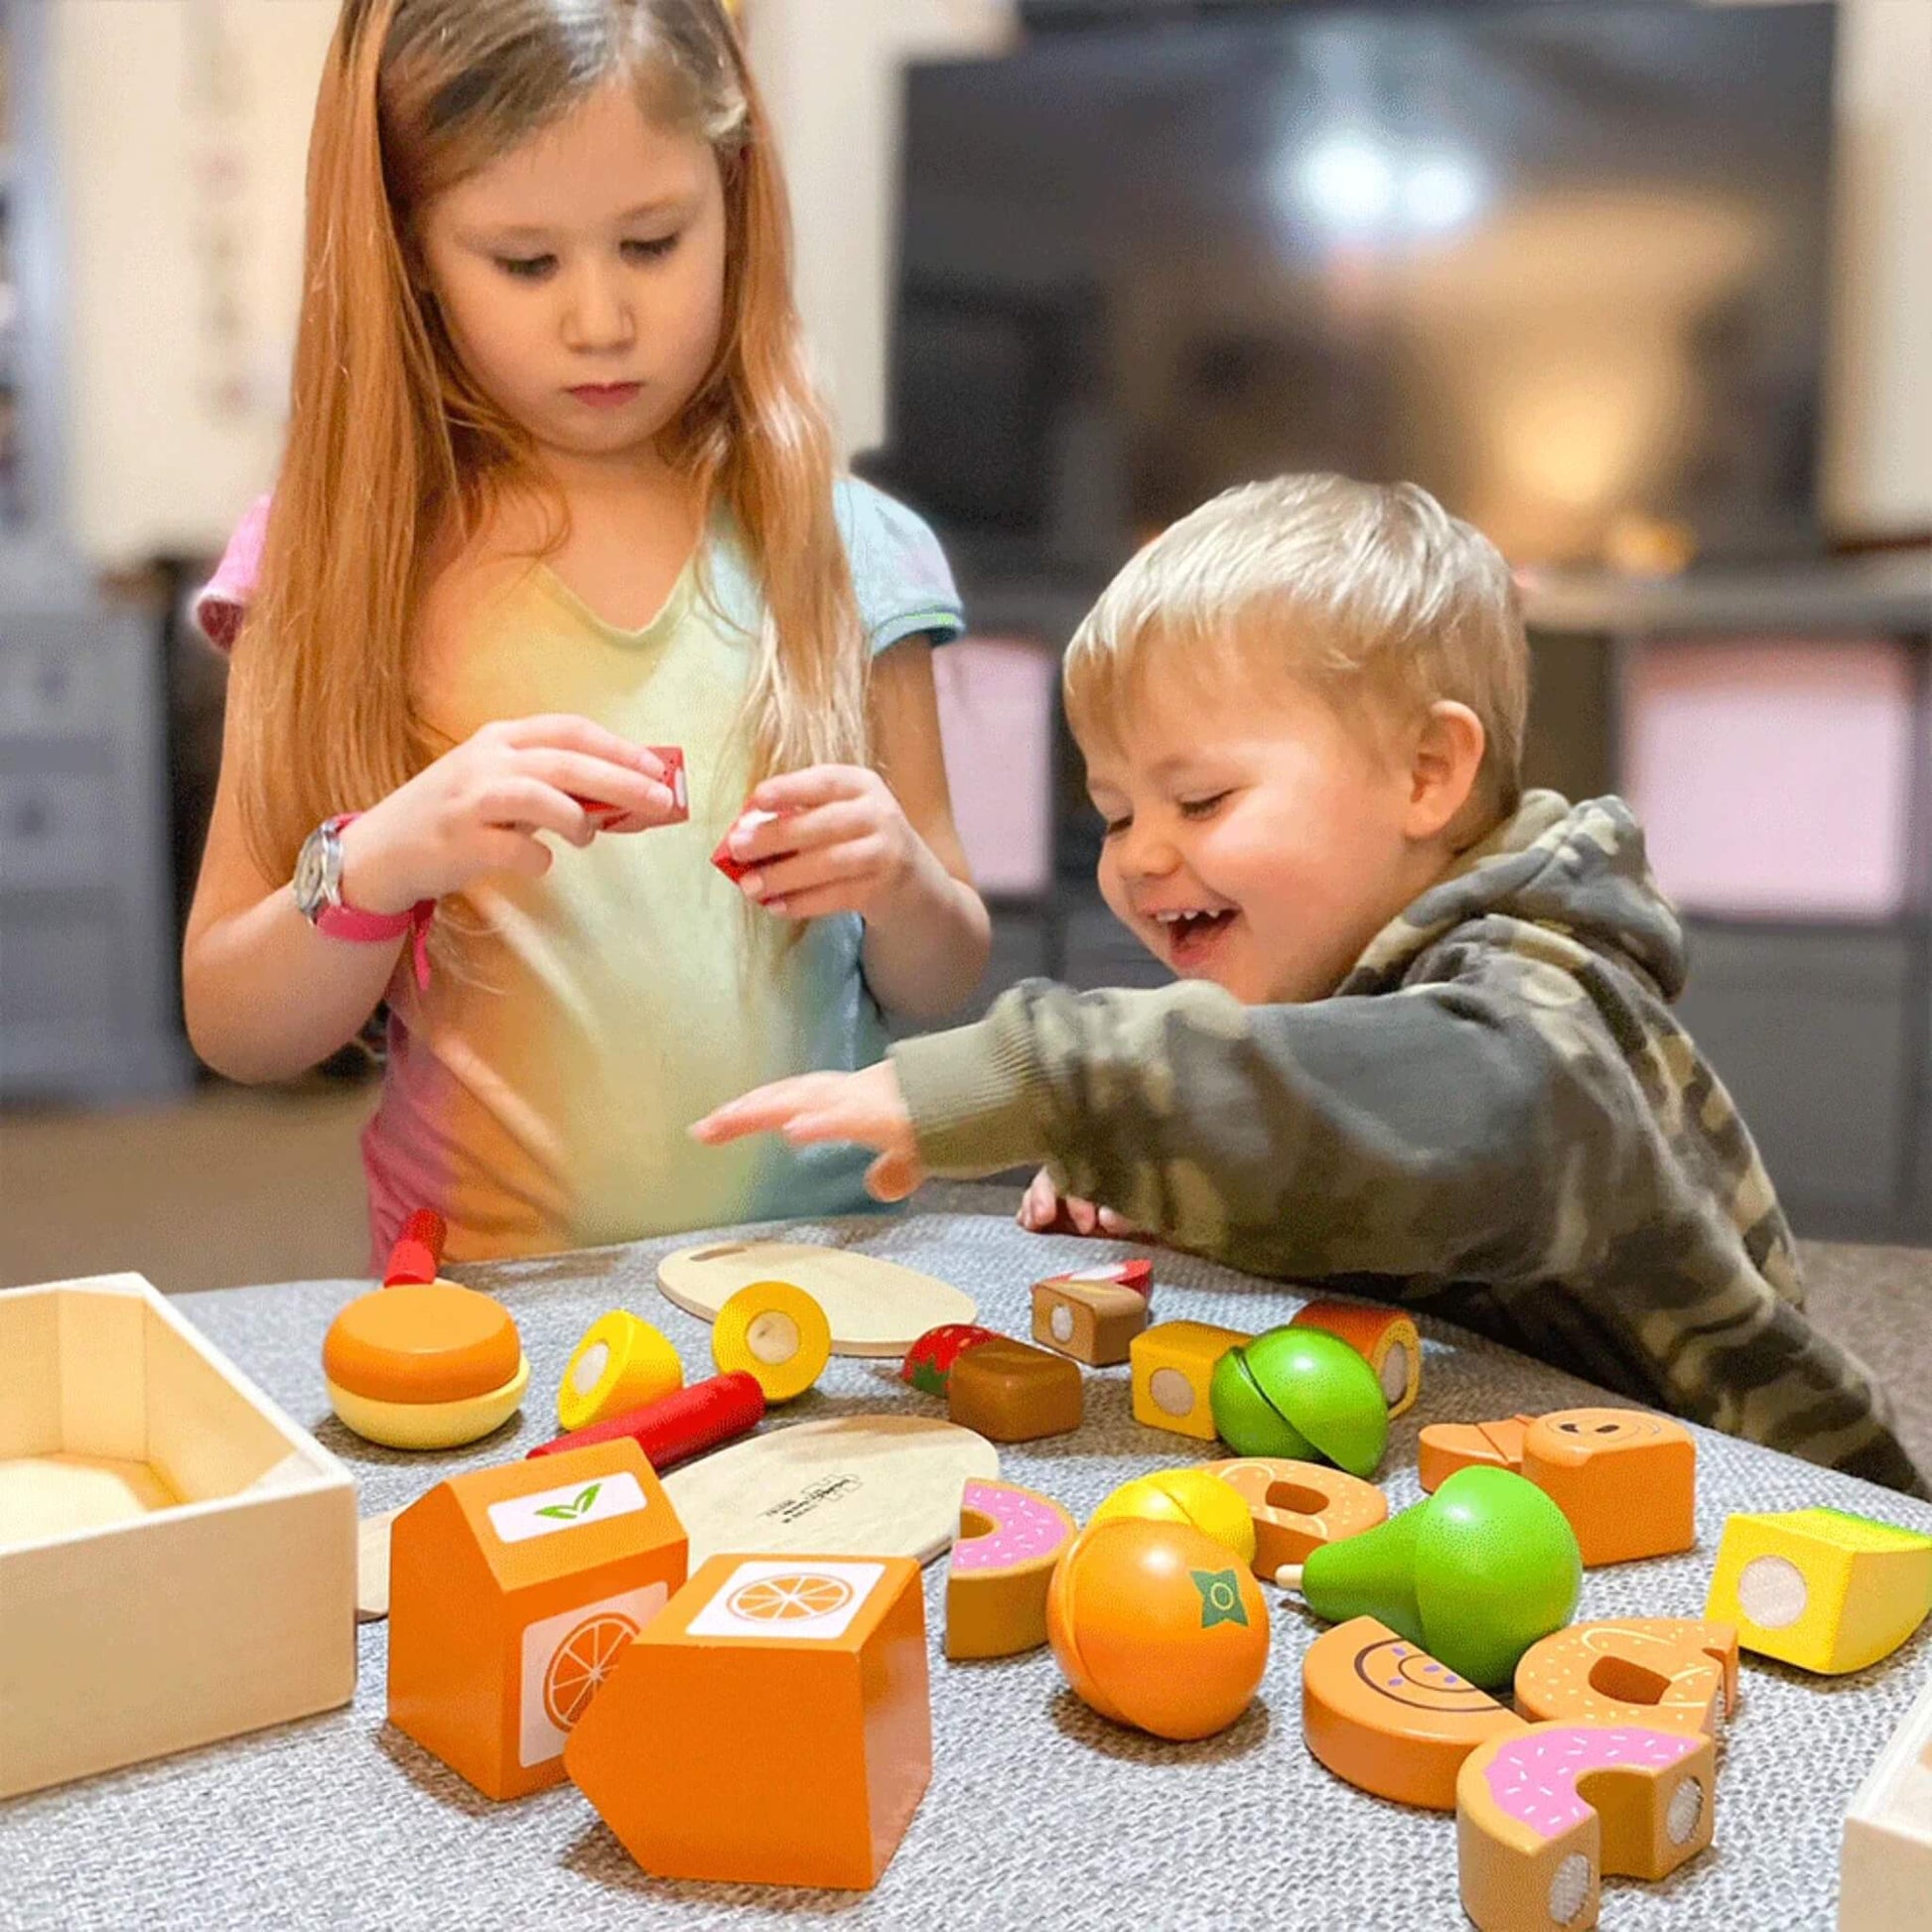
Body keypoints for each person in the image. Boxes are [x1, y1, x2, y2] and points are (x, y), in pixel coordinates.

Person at [694, 474, 1924, 1494]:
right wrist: (1177, 1168)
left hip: (1760, 1517)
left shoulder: (1545, 992)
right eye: (1115, 814)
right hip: (1495, 1472)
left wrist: (1068, 1085)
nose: (1140, 858)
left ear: (1426, 772)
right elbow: (1344, 1164)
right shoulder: (1324, 970)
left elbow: (1463, 1123)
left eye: (1202, 799)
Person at [183, 0, 989, 1266]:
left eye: (653, 242)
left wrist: (901, 881)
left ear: (734, 199)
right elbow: (234, 1022)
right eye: (525, 261)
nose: (600, 320)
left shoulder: (852, 549)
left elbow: (943, 979)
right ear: (409, 250)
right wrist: (385, 858)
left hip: (828, 1287)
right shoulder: (333, 563)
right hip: (495, 1308)